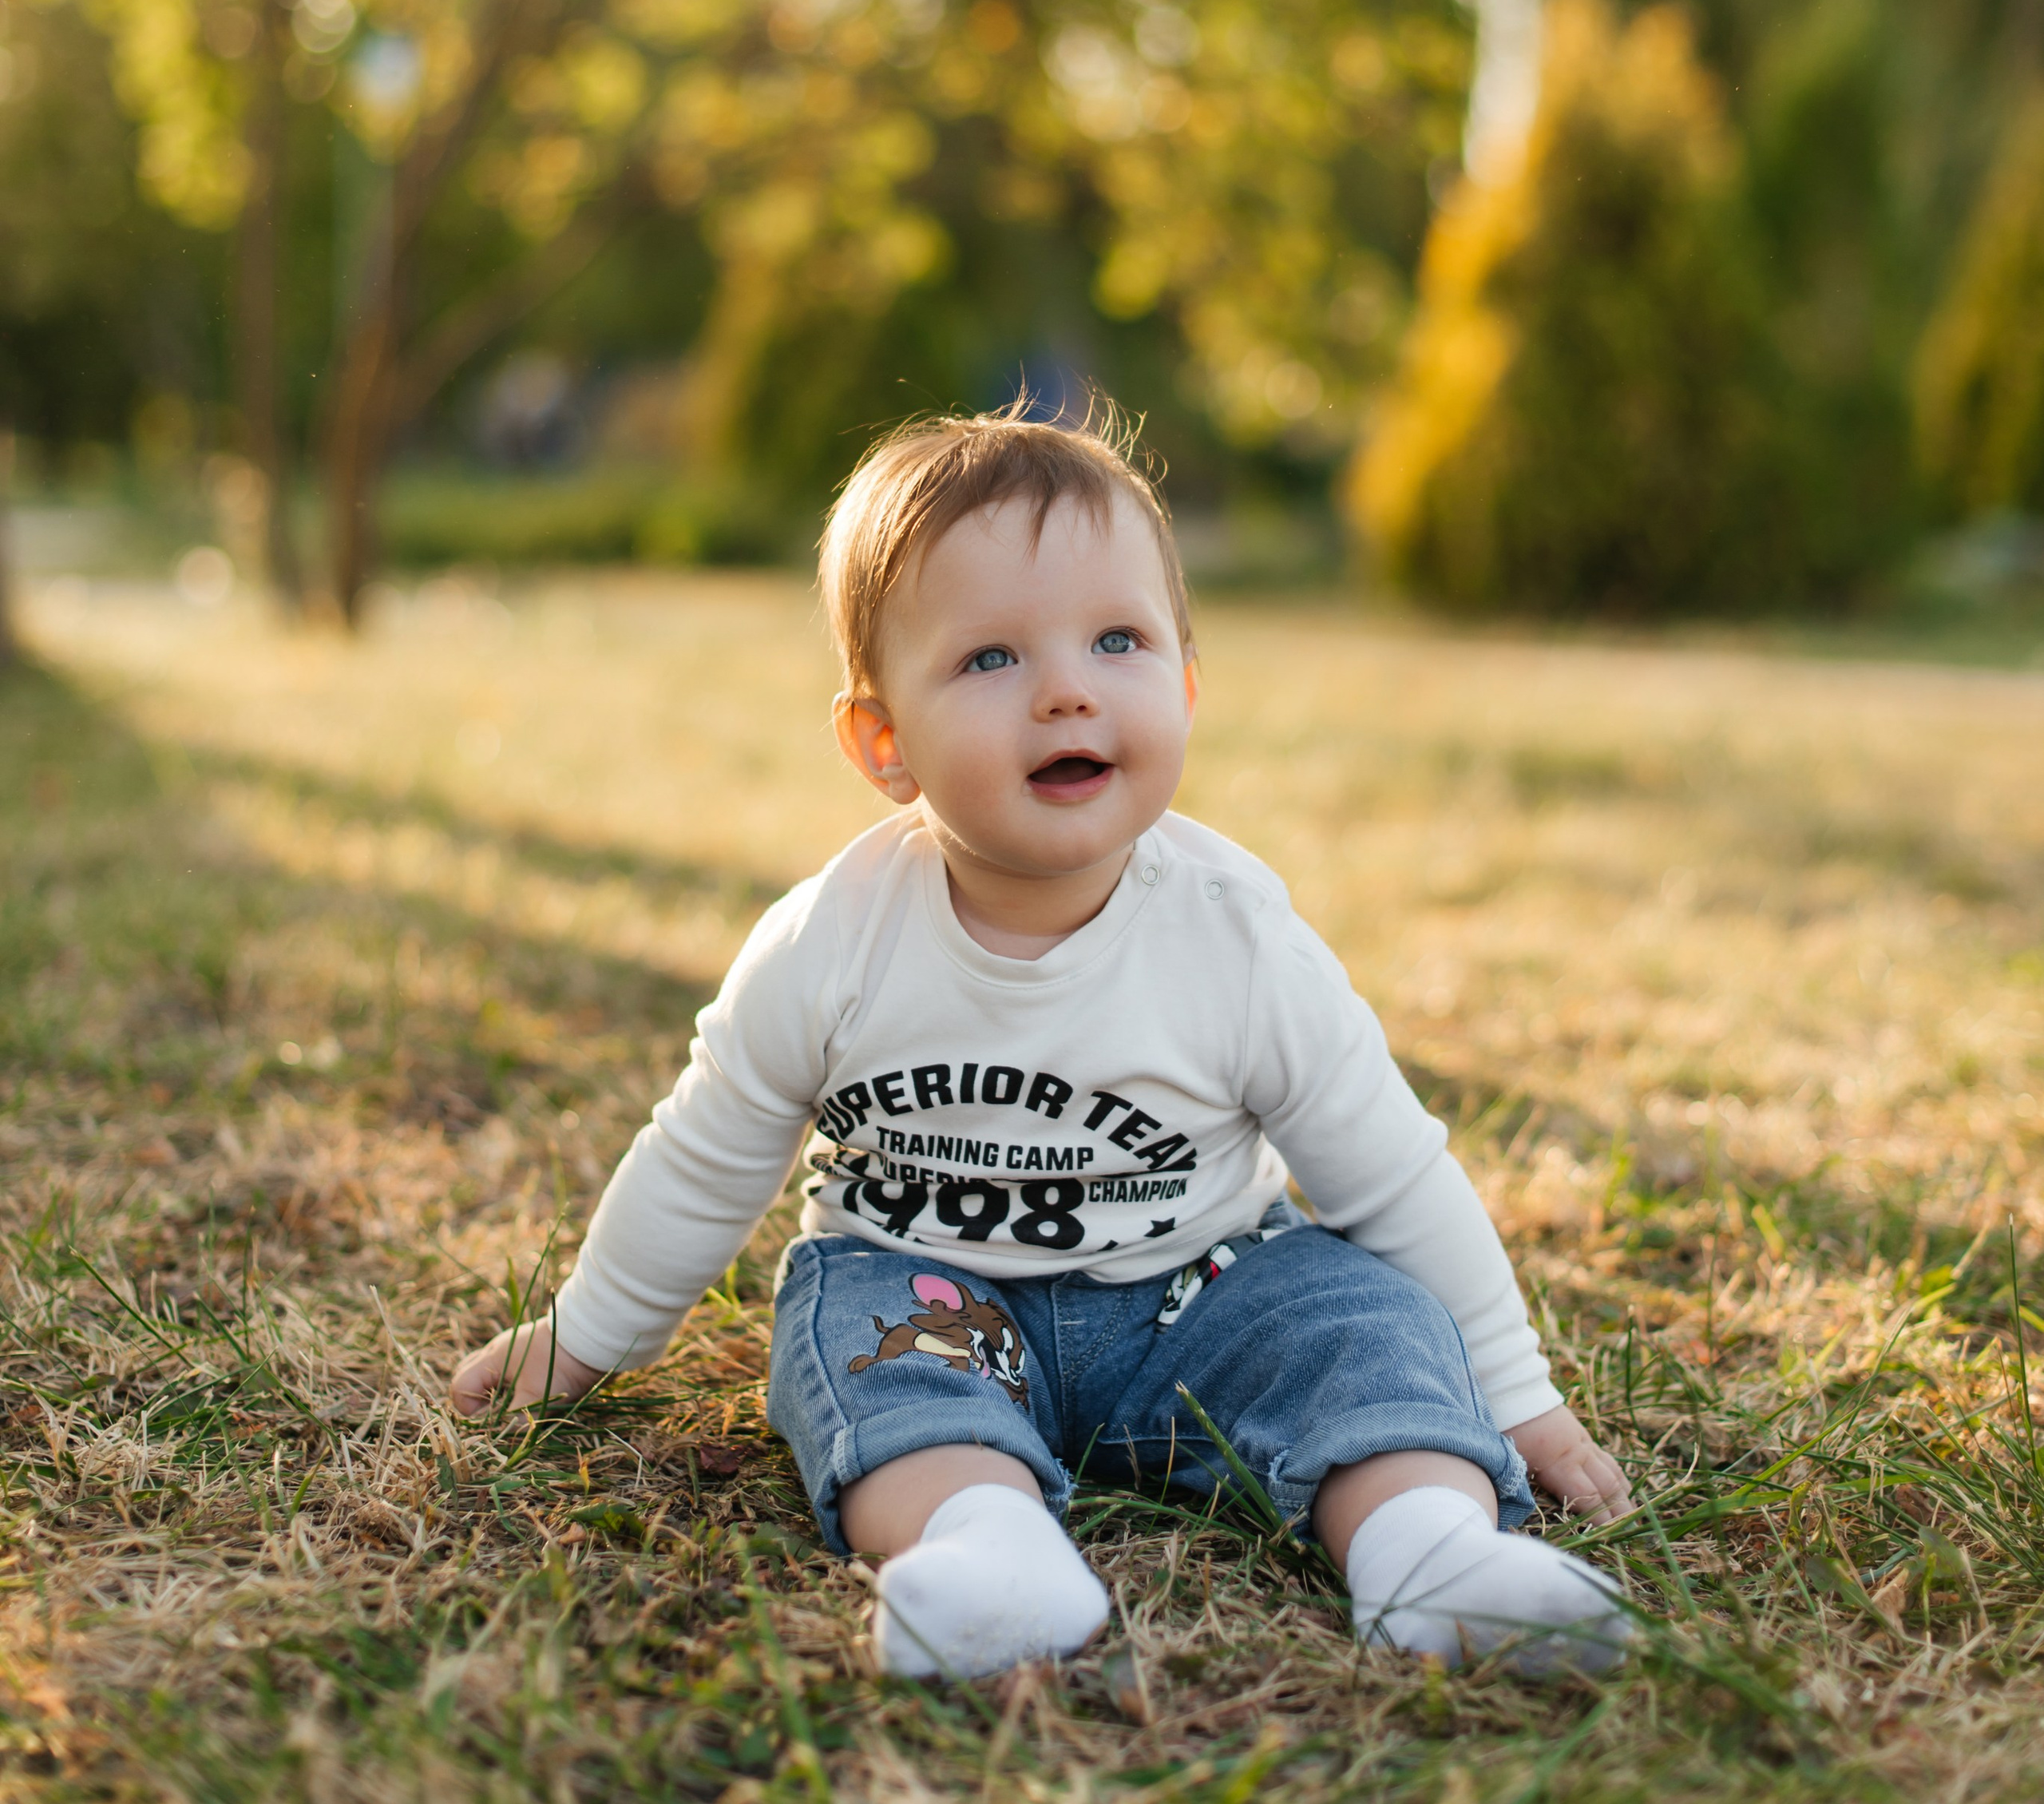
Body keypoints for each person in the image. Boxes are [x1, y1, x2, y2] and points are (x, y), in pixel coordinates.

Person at [452, 406, 1634, 1681]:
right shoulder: (830, 944)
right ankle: (983, 1549)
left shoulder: (1237, 941)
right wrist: (589, 1338)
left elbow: (1391, 1174)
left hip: (1208, 1288)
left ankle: (1425, 1551)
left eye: (1117, 639)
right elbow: (704, 1154)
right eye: (990, 660)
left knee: (1359, 1325)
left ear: (1183, 683)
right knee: (874, 1362)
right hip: (932, 1288)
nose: (1068, 687)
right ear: (883, 744)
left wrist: (1514, 1390)